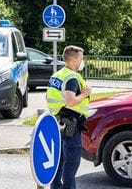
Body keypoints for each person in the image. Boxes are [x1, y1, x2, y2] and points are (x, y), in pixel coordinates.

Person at [46, 45, 92, 189]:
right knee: (72, 160)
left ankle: (56, 186)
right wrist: (85, 94)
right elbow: (70, 100)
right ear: (73, 60)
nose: (82, 61)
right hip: (70, 122)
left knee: (60, 158)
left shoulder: (58, 75)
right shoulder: (72, 77)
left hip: (59, 120)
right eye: (81, 58)